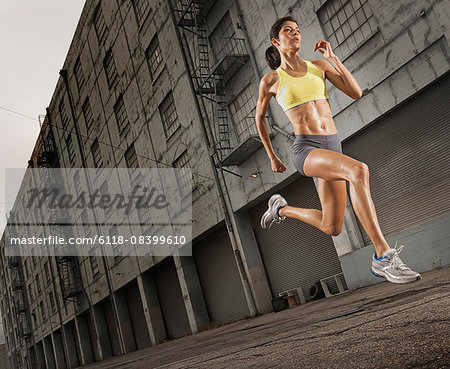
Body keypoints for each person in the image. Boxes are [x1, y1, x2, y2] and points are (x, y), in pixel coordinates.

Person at [256, 16, 421, 284]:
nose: (296, 34)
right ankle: (382, 256)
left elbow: (355, 92)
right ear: (276, 41)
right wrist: (272, 155)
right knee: (358, 170)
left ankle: (281, 209)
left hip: (332, 144)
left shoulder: (318, 66)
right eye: (289, 31)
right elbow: (259, 118)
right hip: (306, 149)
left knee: (332, 226)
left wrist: (333, 57)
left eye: (298, 30)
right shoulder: (272, 80)